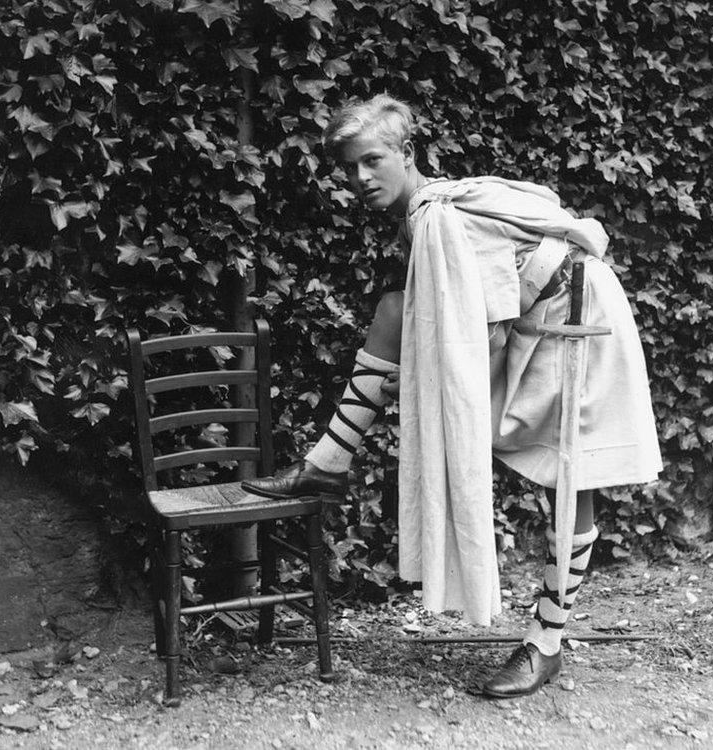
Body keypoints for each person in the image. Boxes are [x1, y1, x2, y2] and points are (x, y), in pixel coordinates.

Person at [243, 94, 662, 698]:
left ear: (406, 154)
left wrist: (414, 386)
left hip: (576, 319)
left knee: (573, 482)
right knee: (392, 310)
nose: (361, 178)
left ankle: (546, 644)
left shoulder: (436, 215)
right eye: (350, 168)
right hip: (532, 320)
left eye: (373, 160)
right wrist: (411, 384)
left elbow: (482, 332)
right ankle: (327, 465)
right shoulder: (427, 211)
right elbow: (457, 317)